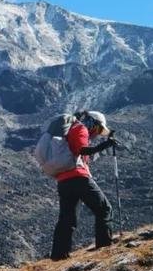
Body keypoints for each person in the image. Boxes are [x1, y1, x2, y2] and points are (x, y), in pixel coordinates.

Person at [51, 110, 119, 260]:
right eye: (98, 129)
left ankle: (58, 255)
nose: (96, 133)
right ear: (93, 123)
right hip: (78, 178)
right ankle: (104, 248)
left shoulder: (68, 132)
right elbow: (81, 150)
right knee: (104, 209)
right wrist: (106, 144)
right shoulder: (80, 128)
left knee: (67, 219)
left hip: (63, 180)